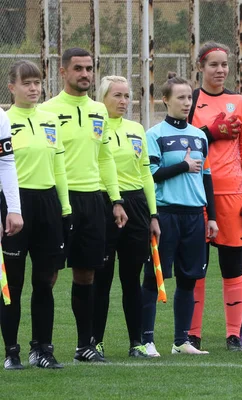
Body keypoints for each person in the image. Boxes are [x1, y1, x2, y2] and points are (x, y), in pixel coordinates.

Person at [38, 48, 127, 363]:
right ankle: (41, 347)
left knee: (87, 273)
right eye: (78, 68)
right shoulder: (46, 111)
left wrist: (115, 199)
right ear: (63, 72)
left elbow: (105, 158)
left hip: (93, 200)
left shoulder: (99, 111)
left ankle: (84, 346)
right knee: (48, 274)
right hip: (58, 200)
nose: (85, 74)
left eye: (89, 68)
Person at [187, 42, 242, 351]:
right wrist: (210, 132)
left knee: (232, 265)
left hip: (231, 192)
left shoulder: (240, 102)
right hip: (195, 192)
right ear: (201, 67)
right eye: (213, 64)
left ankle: (234, 334)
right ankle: (191, 334)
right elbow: (180, 141)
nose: (220, 70)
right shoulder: (189, 100)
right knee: (196, 268)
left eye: (224, 64)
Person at [141, 74, 217, 356]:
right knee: (154, 278)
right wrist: (183, 166)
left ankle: (181, 341)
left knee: (189, 279)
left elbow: (207, 178)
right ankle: (147, 340)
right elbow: (151, 175)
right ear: (165, 100)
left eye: (189, 98)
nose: (187, 103)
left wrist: (212, 217)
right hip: (166, 214)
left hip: (195, 216)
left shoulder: (199, 136)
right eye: (181, 98)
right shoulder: (154, 135)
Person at [91, 76, 161, 358]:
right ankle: (94, 341)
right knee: (102, 278)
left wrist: (153, 214)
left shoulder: (136, 129)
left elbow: (145, 173)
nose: (124, 101)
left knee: (131, 279)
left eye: (127, 96)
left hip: (137, 205)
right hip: (105, 203)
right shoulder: (96, 128)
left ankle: (136, 343)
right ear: (103, 97)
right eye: (117, 96)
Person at [2, 61, 55, 369]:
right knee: (13, 284)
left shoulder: (50, 119)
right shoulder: (4, 120)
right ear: (12, 88)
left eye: (37, 83)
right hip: (15, 204)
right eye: (27, 83)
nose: (34, 88)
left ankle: (42, 350)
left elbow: (58, 165)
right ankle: (12, 352)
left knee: (45, 281)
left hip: (47, 203)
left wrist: (64, 208)